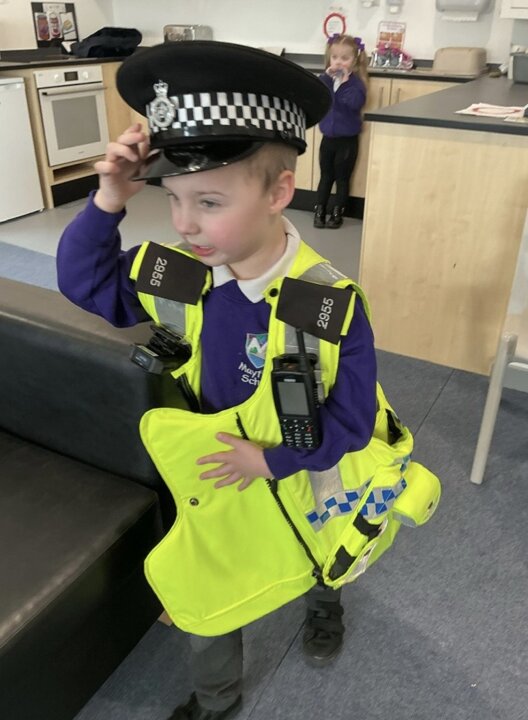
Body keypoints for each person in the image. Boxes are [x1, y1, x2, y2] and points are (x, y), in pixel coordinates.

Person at [57, 41, 440, 720]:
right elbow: (85, 282)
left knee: (322, 543)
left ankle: (324, 600)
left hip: (303, 468)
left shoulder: (327, 306)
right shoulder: (182, 272)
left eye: (209, 201)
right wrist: (109, 199)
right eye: (172, 198)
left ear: (279, 192)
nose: (184, 223)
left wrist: (271, 460)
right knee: (213, 592)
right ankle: (218, 701)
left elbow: (351, 424)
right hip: (219, 476)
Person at [313, 34, 369, 230]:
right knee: (326, 176)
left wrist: (344, 83)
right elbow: (317, 91)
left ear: (354, 61)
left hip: (347, 141)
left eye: (345, 58)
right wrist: (327, 77)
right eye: (335, 57)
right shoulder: (327, 79)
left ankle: (337, 212)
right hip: (328, 138)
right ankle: (319, 210)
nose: (338, 62)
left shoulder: (356, 84)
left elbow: (354, 103)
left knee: (342, 178)